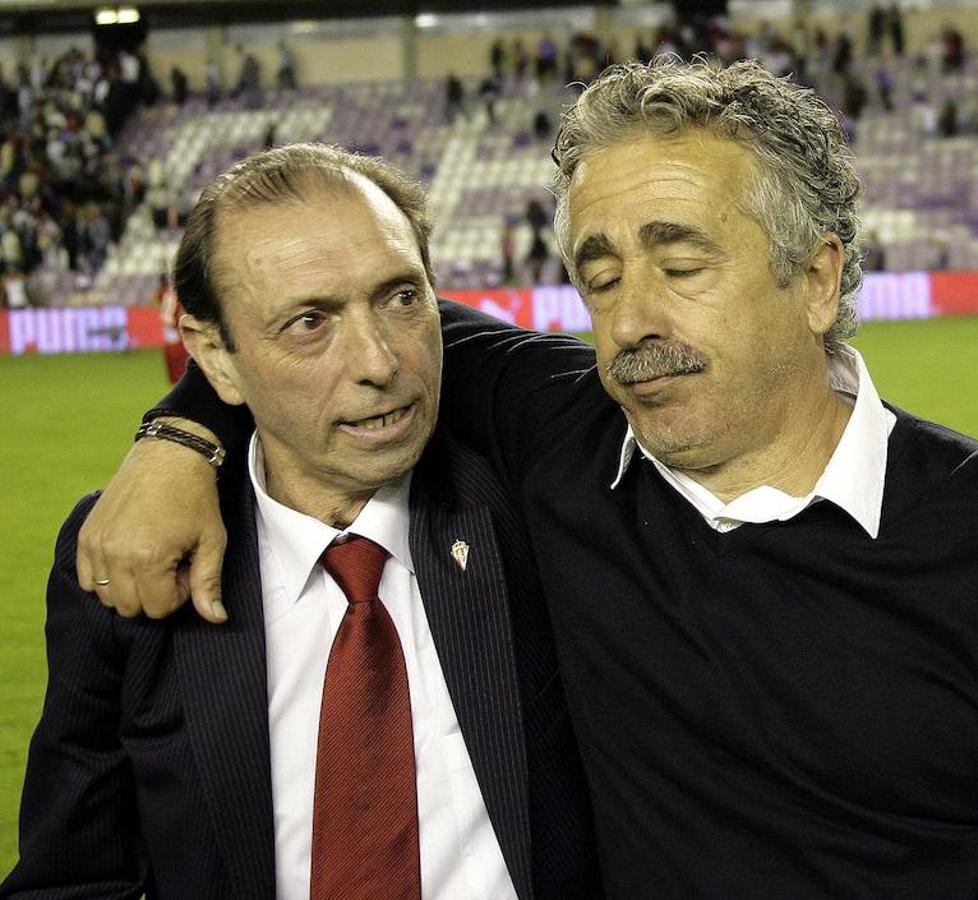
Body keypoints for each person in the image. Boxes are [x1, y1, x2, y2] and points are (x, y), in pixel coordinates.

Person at [79, 63, 978, 896]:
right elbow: (323, 322)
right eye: (600, 276)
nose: (632, 323)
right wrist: (181, 435)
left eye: (681, 267)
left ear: (816, 278)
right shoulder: (564, 438)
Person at [1, 145, 600, 899]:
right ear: (213, 357)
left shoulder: (541, 516)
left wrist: (179, 431)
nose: (379, 360)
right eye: (309, 322)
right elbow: (72, 880)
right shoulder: (130, 560)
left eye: (401, 298)